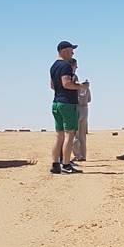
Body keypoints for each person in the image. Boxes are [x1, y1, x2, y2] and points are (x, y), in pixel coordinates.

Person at [49, 41, 84, 175]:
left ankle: (55, 164)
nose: (73, 53)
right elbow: (66, 83)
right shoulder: (66, 66)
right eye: (71, 50)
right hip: (67, 104)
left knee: (59, 136)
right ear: (63, 51)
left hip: (56, 103)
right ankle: (66, 165)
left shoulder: (53, 66)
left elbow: (52, 86)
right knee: (70, 134)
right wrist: (81, 86)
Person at [71, 59, 91, 162]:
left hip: (77, 108)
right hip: (85, 109)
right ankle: (83, 155)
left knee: (75, 134)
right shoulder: (85, 86)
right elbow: (89, 99)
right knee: (82, 135)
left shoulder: (72, 79)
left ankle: (78, 155)